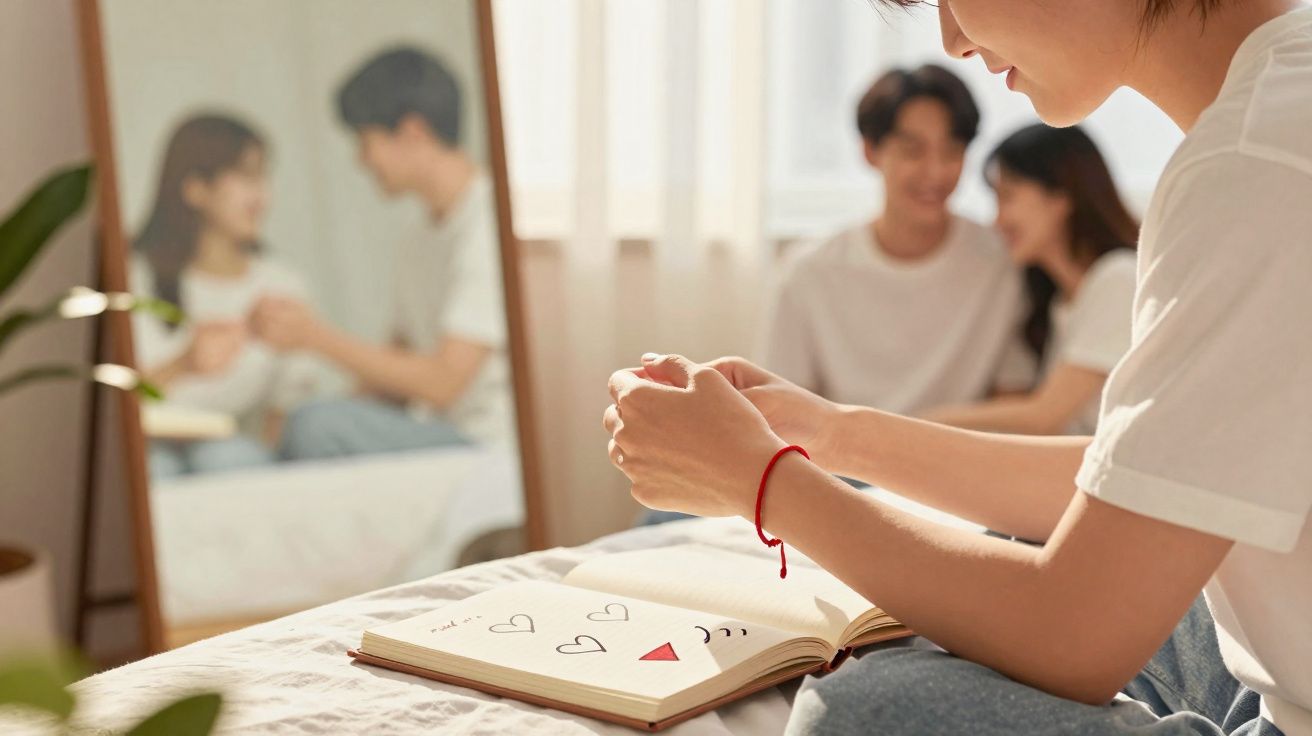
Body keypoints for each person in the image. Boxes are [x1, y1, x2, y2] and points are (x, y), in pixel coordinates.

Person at [604, 1, 1312, 734]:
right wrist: (832, 432)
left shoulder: (1256, 161)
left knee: (865, 710)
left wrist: (763, 486)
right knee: (997, 575)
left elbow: (1079, 631)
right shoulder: (1275, 110)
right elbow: (1148, 482)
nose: (952, 37)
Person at [251, 46, 513, 458]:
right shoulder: (418, 238)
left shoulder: (488, 223)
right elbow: (395, 374)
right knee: (308, 422)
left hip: (483, 441)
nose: (361, 160)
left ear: (412, 133)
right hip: (436, 429)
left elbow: (444, 383)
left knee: (314, 427)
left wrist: (313, 336)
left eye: (365, 141)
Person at [762, 65, 1032, 416]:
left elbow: (1012, 401)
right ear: (871, 151)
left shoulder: (999, 260)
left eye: (951, 151)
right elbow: (782, 411)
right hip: (840, 464)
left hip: (958, 460)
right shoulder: (809, 272)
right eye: (913, 151)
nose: (935, 172)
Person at [131, 113, 316, 478]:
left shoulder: (281, 286)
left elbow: (287, 410)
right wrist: (183, 364)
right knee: (155, 467)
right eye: (246, 177)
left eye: (263, 177)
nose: (262, 196)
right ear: (195, 189)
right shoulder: (135, 274)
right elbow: (109, 402)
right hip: (149, 445)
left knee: (226, 459)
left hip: (235, 450)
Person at [922, 124, 1139, 435]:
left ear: (1061, 198)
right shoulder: (1059, 302)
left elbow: (1044, 416)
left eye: (1007, 197)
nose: (997, 220)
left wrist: (920, 423)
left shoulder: (1116, 278)